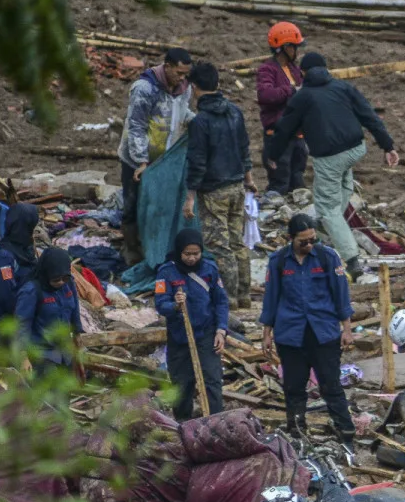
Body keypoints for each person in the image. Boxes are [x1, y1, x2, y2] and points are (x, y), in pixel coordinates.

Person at [264, 51, 400, 277]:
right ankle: (333, 227)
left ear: (303, 73)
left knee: (327, 207)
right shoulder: (343, 87)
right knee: (342, 185)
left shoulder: (302, 97)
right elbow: (369, 115)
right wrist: (388, 146)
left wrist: (273, 155)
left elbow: (284, 129)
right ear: (326, 68)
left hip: (329, 156)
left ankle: (352, 260)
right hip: (356, 149)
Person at [260, 213, 357, 441]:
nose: (309, 244)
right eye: (303, 241)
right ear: (290, 238)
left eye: (313, 239)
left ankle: (346, 431)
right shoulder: (279, 261)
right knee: (294, 387)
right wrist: (266, 334)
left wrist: (347, 329)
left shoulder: (327, 257)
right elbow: (271, 298)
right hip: (290, 334)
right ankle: (297, 431)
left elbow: (341, 295)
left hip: (323, 332)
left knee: (330, 384)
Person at [184, 62, 256, 309]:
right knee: (238, 241)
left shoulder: (200, 122)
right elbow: (245, 147)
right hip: (237, 186)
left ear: (194, 87)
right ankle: (245, 294)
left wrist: (190, 196)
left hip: (214, 191)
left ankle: (230, 299)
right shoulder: (234, 112)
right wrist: (248, 179)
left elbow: (197, 161)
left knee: (220, 245)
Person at [117, 48, 195, 245]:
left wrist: (198, 123)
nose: (182, 78)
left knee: (160, 204)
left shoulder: (184, 88)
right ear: (167, 67)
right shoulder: (145, 88)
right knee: (133, 205)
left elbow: (182, 113)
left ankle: (155, 246)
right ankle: (132, 250)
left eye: (186, 74)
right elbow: (137, 126)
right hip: (137, 159)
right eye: (179, 73)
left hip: (165, 159)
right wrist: (141, 161)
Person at [154, 229, 230, 420]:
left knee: (212, 380)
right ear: (179, 251)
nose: (192, 258)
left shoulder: (210, 270)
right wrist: (176, 305)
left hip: (206, 332)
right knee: (182, 383)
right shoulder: (166, 272)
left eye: (196, 254)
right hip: (180, 336)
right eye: (187, 254)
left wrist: (221, 330)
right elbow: (160, 304)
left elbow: (221, 301)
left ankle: (215, 422)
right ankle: (183, 424)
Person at [257, 21, 309, 198]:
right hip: (278, 135)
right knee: (280, 182)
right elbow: (266, 95)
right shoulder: (267, 69)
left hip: (297, 134)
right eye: (295, 47)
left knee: (297, 181)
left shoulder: (294, 69)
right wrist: (292, 90)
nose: (298, 51)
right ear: (286, 47)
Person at [0, 201, 40, 338]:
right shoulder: (3, 257)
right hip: (1, 325)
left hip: (21, 322)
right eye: (32, 227)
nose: (34, 231)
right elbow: (6, 294)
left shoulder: (27, 252)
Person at [15, 247, 83, 371]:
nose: (61, 282)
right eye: (56, 280)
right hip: (42, 353)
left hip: (64, 351)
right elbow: (22, 324)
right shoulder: (31, 291)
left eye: (65, 278)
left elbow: (74, 309)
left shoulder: (69, 284)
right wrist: (23, 357)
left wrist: (77, 332)